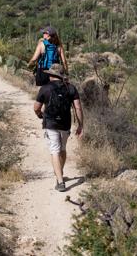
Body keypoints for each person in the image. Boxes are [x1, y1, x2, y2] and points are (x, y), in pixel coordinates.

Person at [33, 63, 83, 192]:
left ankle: (60, 181)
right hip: (65, 123)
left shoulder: (45, 88)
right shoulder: (71, 88)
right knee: (63, 149)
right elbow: (77, 107)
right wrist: (80, 125)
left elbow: (36, 107)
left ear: (51, 75)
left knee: (54, 149)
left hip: (50, 123)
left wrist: (40, 115)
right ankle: (60, 173)